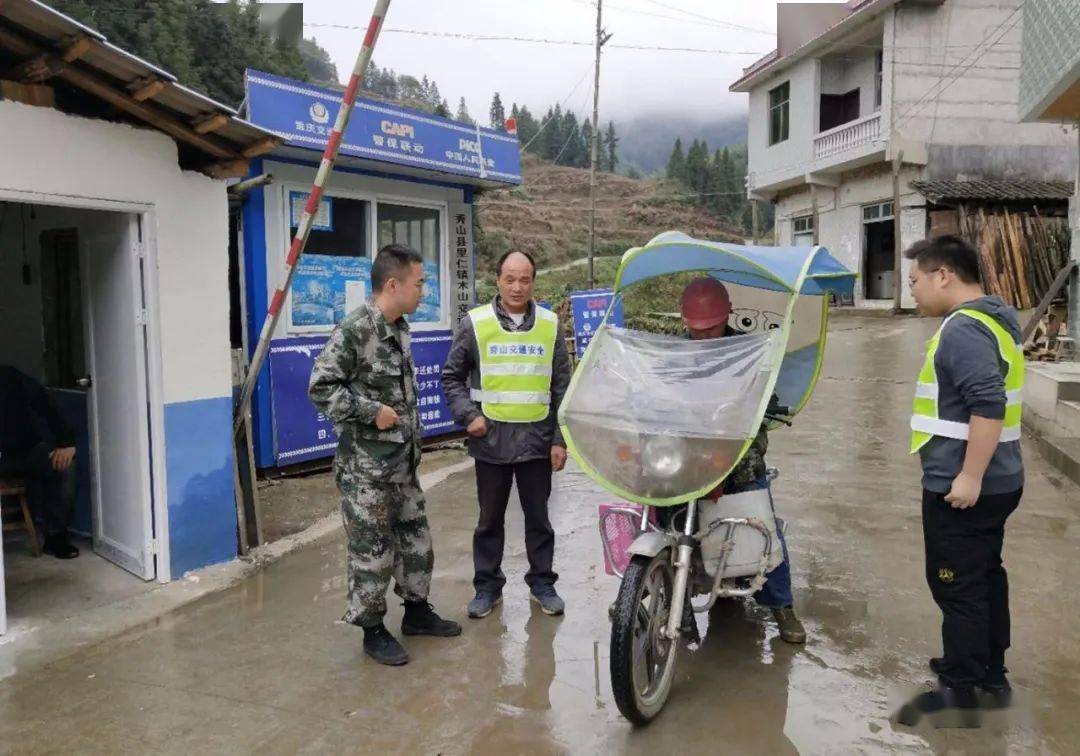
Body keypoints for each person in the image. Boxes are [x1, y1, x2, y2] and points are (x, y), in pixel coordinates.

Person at [308, 244, 460, 667]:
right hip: (367, 471)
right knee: (372, 552)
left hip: (401, 465)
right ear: (393, 284)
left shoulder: (400, 327)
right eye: (419, 283)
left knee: (416, 542)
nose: (423, 291)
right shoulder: (356, 330)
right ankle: (373, 630)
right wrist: (371, 413)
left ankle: (416, 612)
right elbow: (320, 388)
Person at [897, 235, 1024, 726]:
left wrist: (968, 476)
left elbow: (988, 403)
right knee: (986, 575)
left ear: (943, 275)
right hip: (1002, 479)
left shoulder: (964, 331)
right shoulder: (994, 320)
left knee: (956, 584)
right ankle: (988, 670)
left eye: (915, 281)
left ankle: (961, 686)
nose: (912, 292)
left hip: (967, 487)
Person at [442, 250, 572, 619]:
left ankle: (542, 584)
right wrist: (468, 415)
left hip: (537, 442)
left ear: (533, 282)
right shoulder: (475, 324)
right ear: (497, 280)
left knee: (539, 520)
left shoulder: (549, 325)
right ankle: (487, 588)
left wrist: (560, 440)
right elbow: (451, 377)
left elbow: (562, 386)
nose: (518, 287)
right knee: (489, 521)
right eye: (510, 279)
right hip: (490, 442)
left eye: (525, 279)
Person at [679, 277, 806, 644]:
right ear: (685, 320)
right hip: (688, 454)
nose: (704, 336)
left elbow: (765, 398)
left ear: (728, 315)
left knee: (760, 523)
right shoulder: (676, 354)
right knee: (668, 521)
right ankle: (672, 597)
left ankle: (782, 606)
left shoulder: (752, 350)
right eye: (697, 329)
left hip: (739, 455)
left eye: (712, 327)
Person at [0, 365, 79, 559]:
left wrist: (66, 442)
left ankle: (55, 537)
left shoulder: (9, 377)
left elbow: (46, 403)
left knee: (65, 465)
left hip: (22, 452)